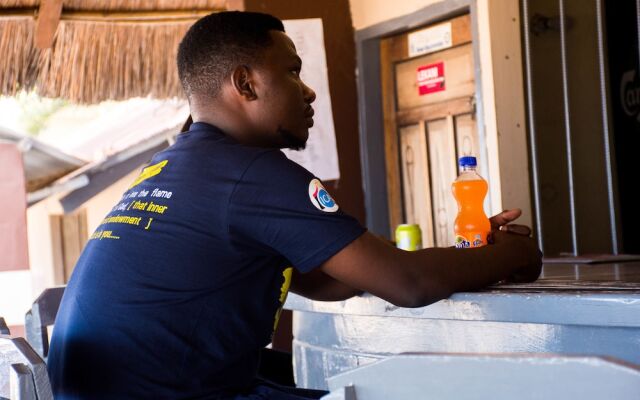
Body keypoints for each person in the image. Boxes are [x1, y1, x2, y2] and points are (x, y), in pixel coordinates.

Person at [47, 11, 542, 400]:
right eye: (292, 72)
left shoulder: (172, 167)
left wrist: (464, 255)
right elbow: (408, 285)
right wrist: (512, 257)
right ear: (246, 84)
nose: (308, 91)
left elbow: (324, 279)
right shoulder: (250, 172)